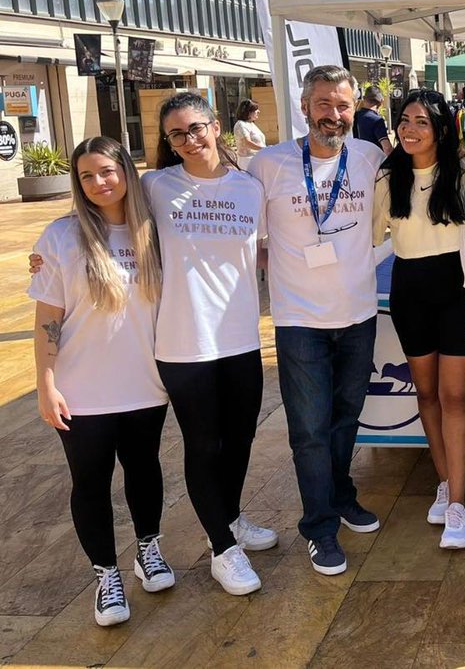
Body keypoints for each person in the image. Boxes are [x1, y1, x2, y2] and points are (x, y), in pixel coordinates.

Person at [29, 136, 174, 627]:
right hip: (82, 390)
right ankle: (106, 574)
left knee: (144, 469)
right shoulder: (60, 237)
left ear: (126, 173)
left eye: (107, 172)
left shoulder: (153, 231)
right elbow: (47, 319)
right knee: (90, 482)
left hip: (145, 383)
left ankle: (148, 548)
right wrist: (46, 383)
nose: (98, 183)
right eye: (87, 176)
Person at [247, 65, 385, 577]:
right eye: (323, 103)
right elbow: (244, 234)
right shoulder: (269, 164)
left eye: (343, 105)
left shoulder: (370, 158)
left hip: (358, 313)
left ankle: (342, 493)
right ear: (305, 106)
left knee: (346, 418)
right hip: (299, 318)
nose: (334, 113)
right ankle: (320, 526)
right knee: (308, 429)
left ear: (355, 109)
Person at [146, 92, 276, 596]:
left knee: (240, 438)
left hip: (241, 338)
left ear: (217, 126)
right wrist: (50, 255)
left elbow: (266, 250)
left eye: (196, 128)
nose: (189, 139)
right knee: (204, 444)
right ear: (169, 142)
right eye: (177, 134)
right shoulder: (155, 186)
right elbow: (100, 217)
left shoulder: (249, 189)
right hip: (183, 343)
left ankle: (231, 516)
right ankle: (222, 548)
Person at [373, 90, 465, 549]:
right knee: (428, 393)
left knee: (455, 396)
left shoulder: (464, 171)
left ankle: (458, 503)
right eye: (404, 120)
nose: (410, 129)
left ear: (440, 127)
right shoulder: (387, 176)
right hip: (409, 289)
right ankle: (443, 480)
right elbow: (368, 233)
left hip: (455, 289)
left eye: (421, 121)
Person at [354, 85, 393, 155]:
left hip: (356, 159)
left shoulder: (354, 116)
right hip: (374, 162)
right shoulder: (377, 120)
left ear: (364, 98)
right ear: (381, 102)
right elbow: (387, 148)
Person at [233, 99, 267, 167]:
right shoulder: (241, 124)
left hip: (256, 160)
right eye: (255, 110)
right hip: (247, 162)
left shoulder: (251, 124)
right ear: (248, 112)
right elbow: (247, 142)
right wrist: (265, 149)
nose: (258, 111)